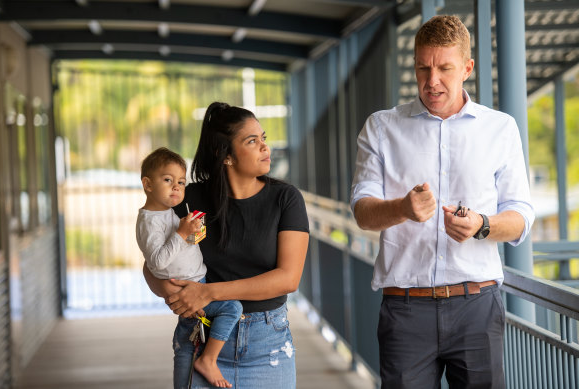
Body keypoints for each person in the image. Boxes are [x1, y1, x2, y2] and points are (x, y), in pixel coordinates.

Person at [350, 15, 534, 389]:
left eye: (444, 68)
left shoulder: (500, 129)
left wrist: (482, 225)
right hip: (405, 309)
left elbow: (521, 216)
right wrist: (402, 208)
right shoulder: (381, 127)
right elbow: (362, 212)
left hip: (477, 306)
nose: (431, 81)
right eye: (423, 67)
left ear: (466, 67)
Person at [143, 102, 309, 389]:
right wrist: (172, 294)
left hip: (267, 345)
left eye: (264, 139)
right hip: (200, 335)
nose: (264, 148)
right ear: (226, 156)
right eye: (252, 141)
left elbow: (288, 278)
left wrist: (207, 291)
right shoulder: (188, 199)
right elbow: (153, 262)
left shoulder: (286, 199)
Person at [136, 147, 242, 388]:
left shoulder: (166, 213)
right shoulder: (148, 221)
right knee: (232, 308)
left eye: (181, 182)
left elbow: (181, 248)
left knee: (185, 339)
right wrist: (182, 234)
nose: (176, 187)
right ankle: (208, 360)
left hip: (195, 284)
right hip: (188, 288)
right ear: (148, 184)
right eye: (168, 180)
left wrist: (194, 235)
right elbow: (158, 261)